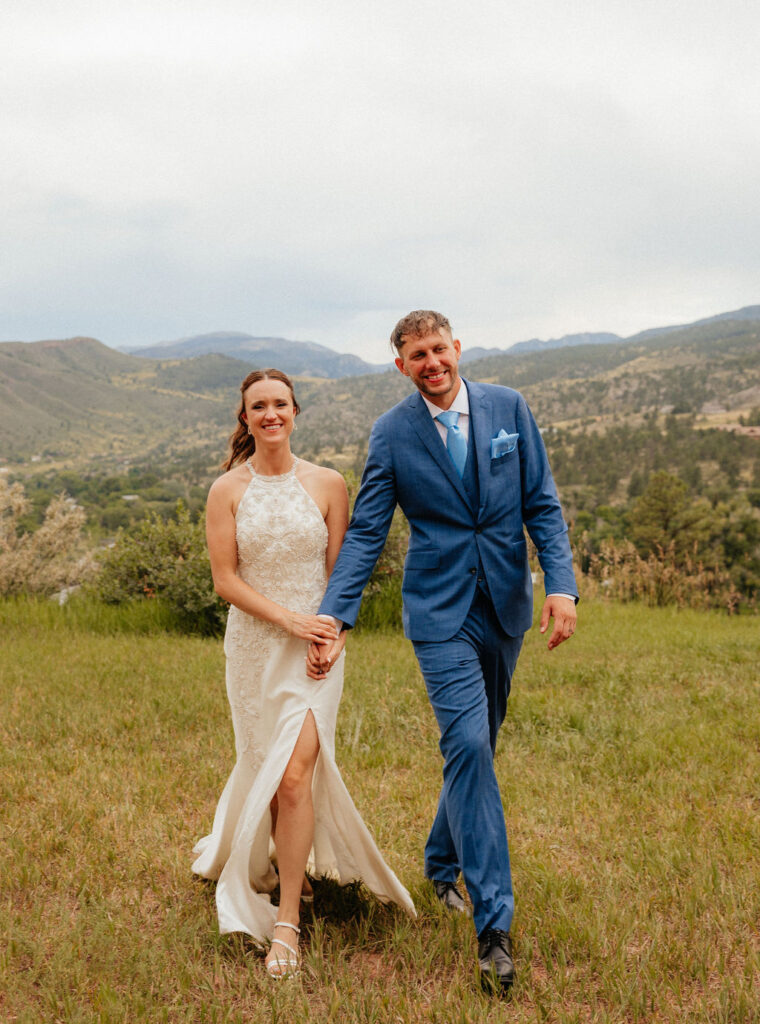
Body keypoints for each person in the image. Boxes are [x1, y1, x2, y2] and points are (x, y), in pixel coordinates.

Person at [308, 311, 577, 994]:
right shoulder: (392, 435)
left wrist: (562, 587)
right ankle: (494, 928)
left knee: (477, 741)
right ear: (401, 366)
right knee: (469, 744)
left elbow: (541, 502)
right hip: (439, 614)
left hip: (508, 605)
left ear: (457, 349)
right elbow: (367, 532)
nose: (430, 363)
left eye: (438, 349)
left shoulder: (508, 407)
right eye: (415, 356)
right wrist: (335, 614)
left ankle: (437, 859)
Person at [192, 368, 415, 979]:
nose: (270, 414)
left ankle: (286, 920)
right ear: (245, 417)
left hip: (317, 648)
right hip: (255, 648)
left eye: (280, 404)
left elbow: (344, 571)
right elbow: (226, 581)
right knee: (264, 762)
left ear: (296, 412)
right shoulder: (225, 490)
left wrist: (332, 634)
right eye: (257, 406)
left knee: (294, 777)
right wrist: (291, 622)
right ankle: (273, 864)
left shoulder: (328, 484)